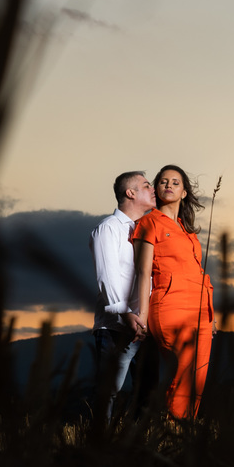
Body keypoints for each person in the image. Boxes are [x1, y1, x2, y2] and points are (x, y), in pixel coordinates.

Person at [131, 164, 213, 419]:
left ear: (184, 192)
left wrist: (212, 314)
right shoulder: (148, 223)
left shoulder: (189, 232)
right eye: (163, 181)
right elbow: (143, 272)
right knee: (183, 370)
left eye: (175, 182)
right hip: (170, 305)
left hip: (201, 311)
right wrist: (141, 314)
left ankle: (182, 432)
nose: (169, 185)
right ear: (156, 188)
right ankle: (170, 428)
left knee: (198, 375)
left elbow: (197, 272)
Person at [90, 170, 157, 420]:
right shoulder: (108, 228)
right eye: (146, 185)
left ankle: (137, 446)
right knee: (108, 392)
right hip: (116, 329)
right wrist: (126, 315)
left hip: (146, 326)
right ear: (130, 193)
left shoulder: (146, 231)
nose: (153, 190)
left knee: (148, 392)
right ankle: (100, 446)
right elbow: (106, 276)